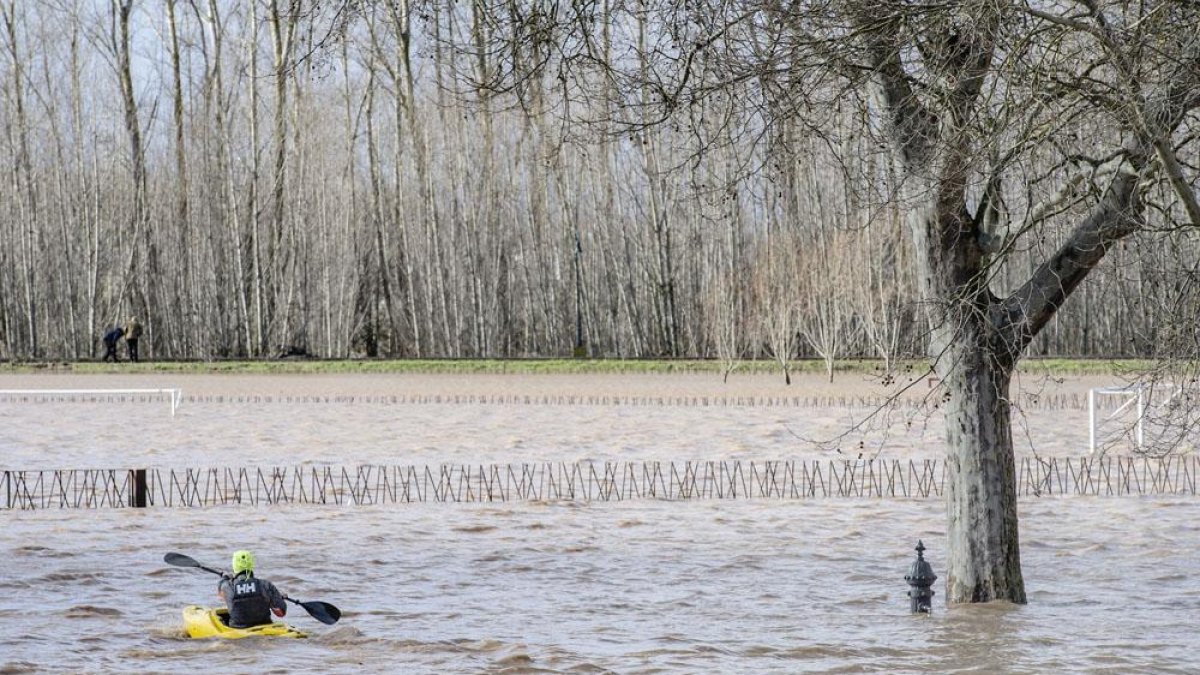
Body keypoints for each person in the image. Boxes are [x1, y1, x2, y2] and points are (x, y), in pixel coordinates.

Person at [217, 550, 287, 628]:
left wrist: (225, 578)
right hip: (265, 627)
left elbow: (221, 596)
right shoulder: (265, 585)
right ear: (251, 564)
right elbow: (281, 613)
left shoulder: (227, 586)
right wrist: (278, 598)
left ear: (234, 565)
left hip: (239, 629)